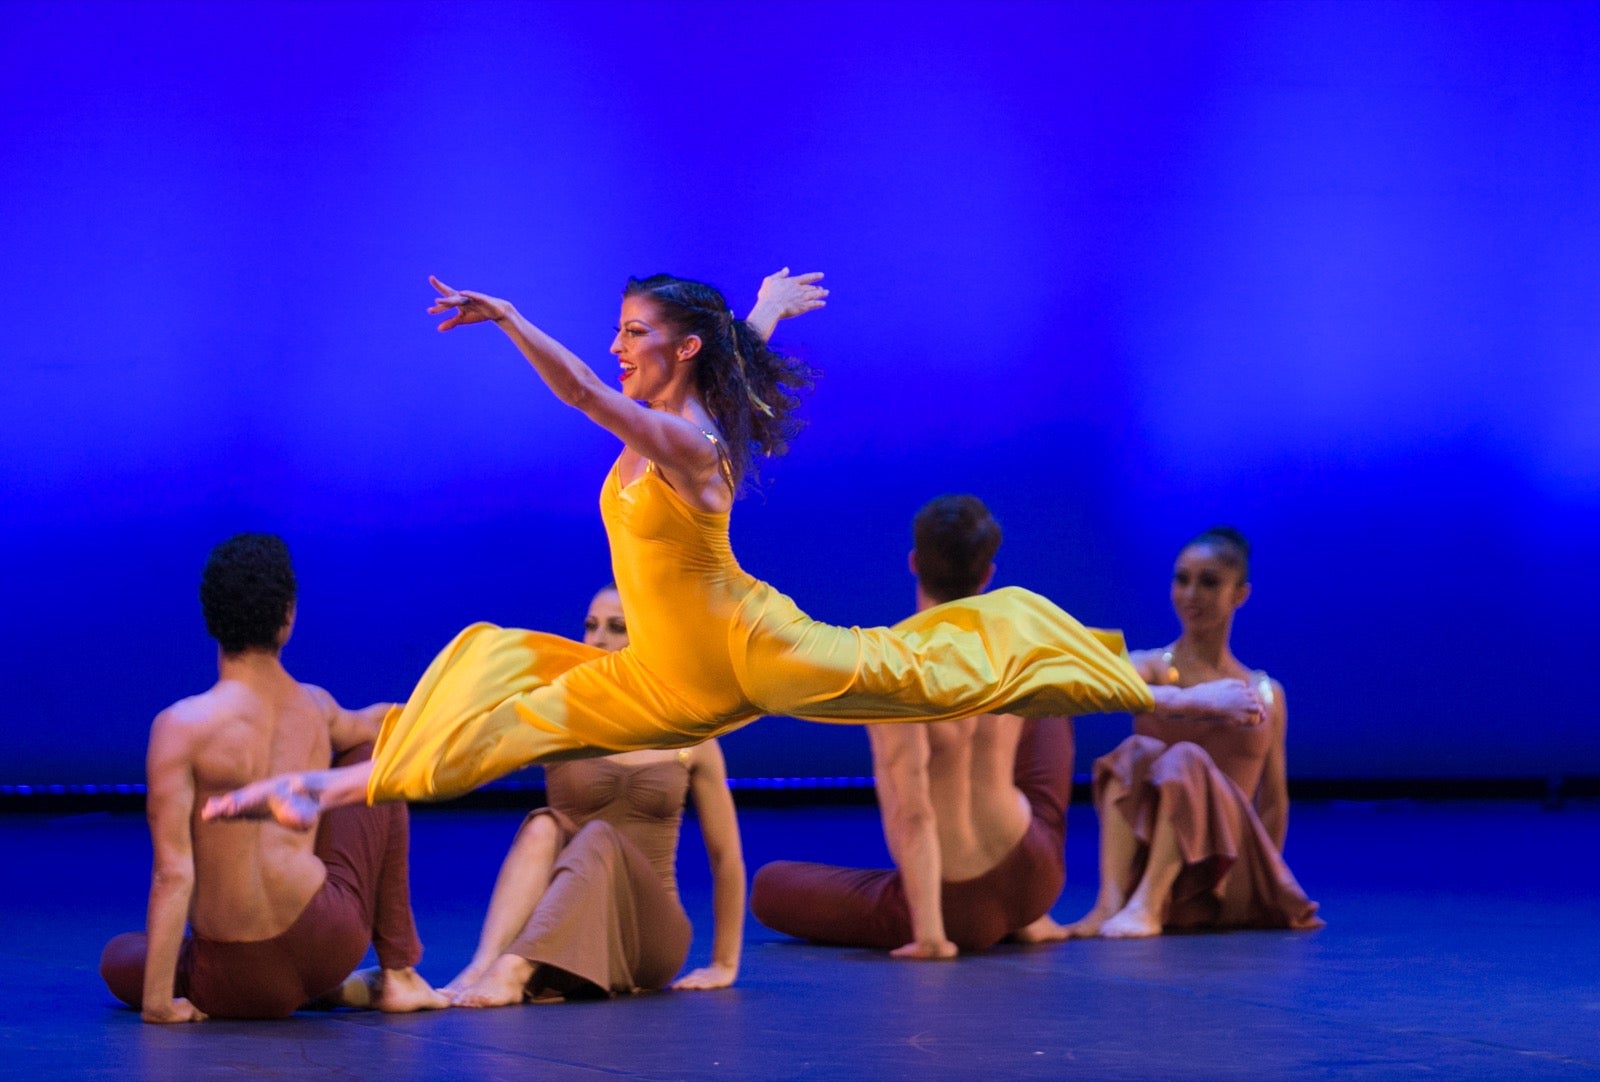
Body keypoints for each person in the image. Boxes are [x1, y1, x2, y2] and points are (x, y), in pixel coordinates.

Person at [204, 269, 1263, 829]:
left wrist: (513, 319)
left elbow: (584, 392)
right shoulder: (693, 402)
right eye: (617, 330)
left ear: (679, 347)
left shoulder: (683, 441)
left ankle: (1169, 686)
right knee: (507, 698)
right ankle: (314, 793)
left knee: (929, 671)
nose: (617, 345)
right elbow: (733, 365)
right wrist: (764, 308)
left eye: (633, 332)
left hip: (752, 647)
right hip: (660, 674)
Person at [100, 533, 447, 1022]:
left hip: (233, 979)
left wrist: (158, 1003)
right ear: (289, 616)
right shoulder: (316, 707)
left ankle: (305, 989)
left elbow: (172, 874)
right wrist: (465, 715)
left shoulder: (180, 727)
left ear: (211, 617)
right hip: (327, 942)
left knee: (118, 957)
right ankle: (396, 974)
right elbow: (377, 726)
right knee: (373, 760)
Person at [751, 495, 1077, 958]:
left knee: (770, 886)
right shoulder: (1016, 643)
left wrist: (931, 938)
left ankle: (941, 922)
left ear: (913, 563)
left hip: (957, 908)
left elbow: (915, 813)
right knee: (1051, 695)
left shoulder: (897, 664)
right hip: (1035, 875)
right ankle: (1034, 921)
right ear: (987, 574)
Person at [444, 583, 746, 1006]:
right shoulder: (559, 717)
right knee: (544, 824)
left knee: (600, 836)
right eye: (591, 626)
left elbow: (726, 857)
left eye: (616, 627)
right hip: (563, 926)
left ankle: (514, 970)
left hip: (648, 935)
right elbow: (472, 761)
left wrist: (724, 963)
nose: (598, 639)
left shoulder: (690, 733)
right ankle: (483, 965)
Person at [1064, 527, 1322, 939]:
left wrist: (1266, 881)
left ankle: (1147, 906)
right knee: (1136, 750)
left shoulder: (1265, 693)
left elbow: (1273, 800)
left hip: (1224, 873)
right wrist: (1185, 700)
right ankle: (1110, 902)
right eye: (1182, 579)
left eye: (1209, 582)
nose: (1190, 594)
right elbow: (1091, 685)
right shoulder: (1152, 667)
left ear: (1240, 594)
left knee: (1185, 758)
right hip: (1161, 864)